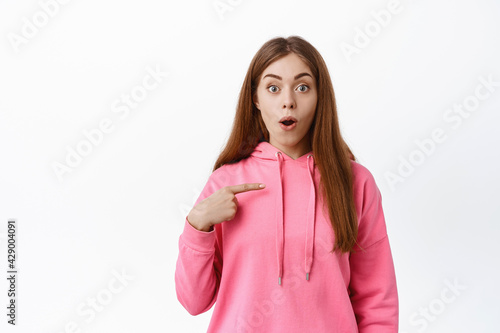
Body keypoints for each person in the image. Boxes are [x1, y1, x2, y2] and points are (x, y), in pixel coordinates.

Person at [174, 35, 398, 332]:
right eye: (273, 88)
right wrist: (197, 225)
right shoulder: (227, 183)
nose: (288, 101)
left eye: (303, 87)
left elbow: (377, 301)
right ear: (255, 98)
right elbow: (194, 302)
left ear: (320, 97)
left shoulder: (355, 182)